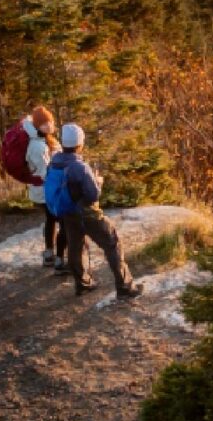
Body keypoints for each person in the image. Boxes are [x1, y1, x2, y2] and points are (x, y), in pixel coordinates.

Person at [45, 123, 144, 301]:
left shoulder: (55, 162)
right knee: (112, 243)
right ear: (79, 143)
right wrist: (98, 181)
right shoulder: (79, 167)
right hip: (87, 214)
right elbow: (93, 195)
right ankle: (125, 287)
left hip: (67, 213)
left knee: (75, 247)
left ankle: (83, 284)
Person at [23, 103, 68, 274]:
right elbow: (45, 172)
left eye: (49, 121)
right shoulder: (37, 146)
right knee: (62, 222)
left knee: (51, 220)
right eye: (43, 123)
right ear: (37, 126)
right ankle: (59, 261)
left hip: (43, 191)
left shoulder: (45, 140)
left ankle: (49, 254)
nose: (48, 125)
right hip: (46, 192)